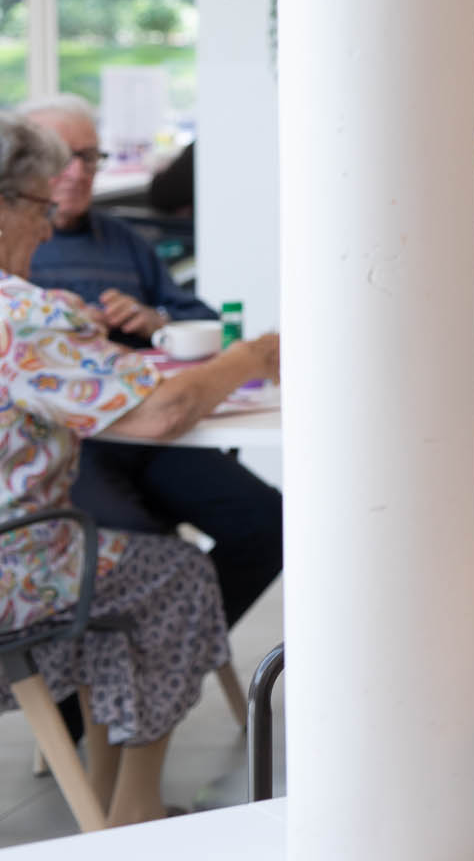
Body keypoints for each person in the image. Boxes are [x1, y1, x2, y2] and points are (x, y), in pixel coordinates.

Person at [0, 114, 281, 826]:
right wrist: (250, 357)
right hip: (16, 566)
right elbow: (161, 413)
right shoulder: (23, 315)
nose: (44, 225)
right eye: (37, 207)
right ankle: (134, 809)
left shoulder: (60, 296)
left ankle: (109, 787)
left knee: (131, 562)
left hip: (40, 531)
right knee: (173, 574)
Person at [23, 96, 283, 631]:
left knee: (271, 521)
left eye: (89, 157)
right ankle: (99, 702)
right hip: (70, 446)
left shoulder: (120, 239)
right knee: (136, 550)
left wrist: (154, 317)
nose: (76, 173)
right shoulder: (15, 269)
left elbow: (200, 322)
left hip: (157, 428)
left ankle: (170, 659)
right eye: (60, 157)